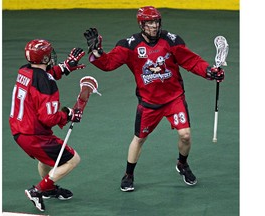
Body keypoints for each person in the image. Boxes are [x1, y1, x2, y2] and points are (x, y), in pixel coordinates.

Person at [84, 6, 225, 192]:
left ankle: (182, 164)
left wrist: (209, 71)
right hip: (149, 103)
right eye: (149, 23)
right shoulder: (129, 45)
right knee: (139, 139)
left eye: (156, 22)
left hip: (174, 98)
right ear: (141, 25)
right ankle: (129, 175)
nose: (153, 26)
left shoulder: (172, 40)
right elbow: (108, 64)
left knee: (185, 135)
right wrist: (97, 53)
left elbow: (192, 61)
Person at [9, 39, 86, 211]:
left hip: (19, 131)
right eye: (49, 55)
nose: (51, 57)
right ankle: (38, 190)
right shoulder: (46, 84)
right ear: (44, 59)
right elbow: (49, 119)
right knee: (73, 159)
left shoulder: (24, 70)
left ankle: (49, 190)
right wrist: (67, 114)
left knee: (47, 158)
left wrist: (64, 68)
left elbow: (44, 74)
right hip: (34, 135)